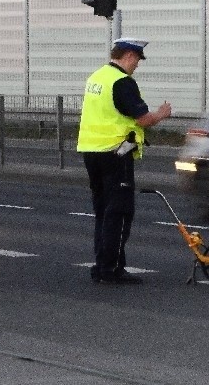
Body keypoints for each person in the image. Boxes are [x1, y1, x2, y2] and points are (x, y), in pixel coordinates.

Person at [77, 37, 172, 284]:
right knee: (119, 213)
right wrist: (161, 115)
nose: (137, 66)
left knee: (102, 211)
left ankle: (100, 266)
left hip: (91, 151)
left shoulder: (96, 77)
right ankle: (112, 269)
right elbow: (142, 119)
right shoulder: (122, 82)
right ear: (129, 55)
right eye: (138, 60)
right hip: (116, 154)